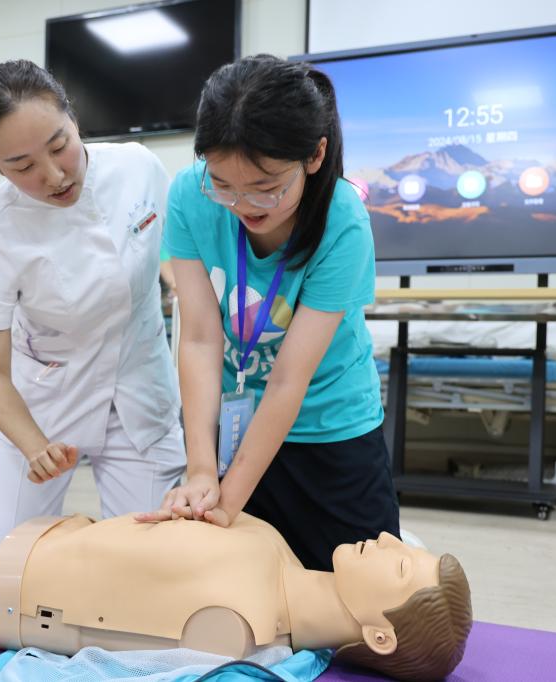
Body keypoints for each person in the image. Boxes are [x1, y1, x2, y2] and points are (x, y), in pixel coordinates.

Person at [136, 55, 397, 572]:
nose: (243, 205)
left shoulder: (342, 220)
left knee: (361, 599)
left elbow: (286, 382)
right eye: (224, 184)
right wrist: (202, 473)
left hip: (330, 427)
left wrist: (227, 504)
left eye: (267, 186)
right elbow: (200, 339)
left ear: (315, 155)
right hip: (236, 423)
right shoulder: (190, 193)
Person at [0, 60, 186, 590]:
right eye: (22, 165)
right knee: (5, 581)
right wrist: (34, 445)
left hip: (139, 393)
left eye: (59, 146)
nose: (54, 175)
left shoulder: (138, 168)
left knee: (153, 574)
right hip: (44, 406)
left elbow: (169, 248)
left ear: (73, 120)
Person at [0, 513, 472, 682]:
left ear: (380, 636)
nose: (387, 539)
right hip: (53, 532)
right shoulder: (276, 552)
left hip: (15, 570)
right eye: (402, 545)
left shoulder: (234, 629)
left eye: (401, 564)